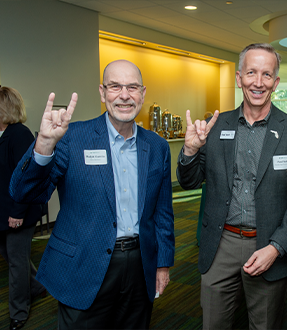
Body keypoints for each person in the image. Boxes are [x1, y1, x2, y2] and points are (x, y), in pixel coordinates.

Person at [10, 60, 175, 329]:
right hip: (83, 264)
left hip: (140, 263)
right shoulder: (72, 138)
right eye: (115, 86)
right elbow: (24, 192)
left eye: (132, 87)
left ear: (142, 93)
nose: (124, 95)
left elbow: (162, 212)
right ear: (102, 92)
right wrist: (43, 146)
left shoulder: (156, 147)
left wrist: (163, 264)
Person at [177, 43, 287, 329]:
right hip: (219, 245)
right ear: (239, 78)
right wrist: (189, 151)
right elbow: (188, 182)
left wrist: (275, 248)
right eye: (251, 72)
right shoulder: (214, 126)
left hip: (267, 246)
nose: (258, 82)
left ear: (275, 82)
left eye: (266, 74)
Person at [0, 86, 46, 330]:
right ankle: (37, 286)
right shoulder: (1, 134)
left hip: (18, 212)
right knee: (11, 257)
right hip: (1, 211)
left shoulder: (20, 134)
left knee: (17, 262)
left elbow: (29, 178)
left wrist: (17, 213)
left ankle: (18, 311)